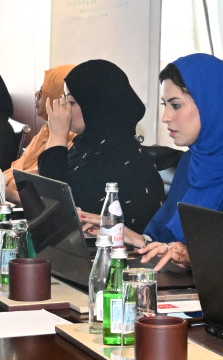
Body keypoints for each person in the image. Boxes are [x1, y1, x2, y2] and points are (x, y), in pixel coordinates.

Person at [132, 54, 223, 269]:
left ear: (212, 104)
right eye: (165, 105)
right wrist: (130, 237)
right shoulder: (193, 161)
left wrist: (191, 257)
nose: (165, 117)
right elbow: (164, 240)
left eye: (176, 105)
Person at [38, 59, 165, 234]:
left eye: (71, 102)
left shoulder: (119, 156)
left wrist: (58, 135)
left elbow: (57, 203)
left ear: (96, 106)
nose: (64, 107)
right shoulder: (87, 146)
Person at [4, 63, 75, 200]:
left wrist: (6, 185)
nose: (36, 94)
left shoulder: (71, 139)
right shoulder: (46, 130)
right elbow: (17, 168)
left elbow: (38, 184)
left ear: (58, 97)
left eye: (42, 91)